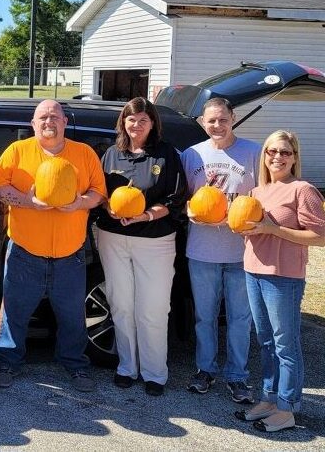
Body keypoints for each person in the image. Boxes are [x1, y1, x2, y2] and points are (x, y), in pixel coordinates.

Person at [0, 99, 106, 391]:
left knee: (72, 316)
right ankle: (7, 362)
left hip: (70, 252)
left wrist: (80, 202)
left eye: (54, 116)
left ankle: (75, 365)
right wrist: (27, 201)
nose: (48, 121)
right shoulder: (17, 151)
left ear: (65, 122)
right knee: (14, 311)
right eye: (42, 117)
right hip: (24, 250)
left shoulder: (84, 153)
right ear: (33, 124)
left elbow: (98, 192)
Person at [96, 97, 187, 396]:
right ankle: (126, 367)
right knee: (121, 305)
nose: (136, 125)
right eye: (131, 119)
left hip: (155, 240)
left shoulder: (165, 154)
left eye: (143, 120)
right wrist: (109, 208)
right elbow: (100, 193)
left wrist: (145, 215)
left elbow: (175, 198)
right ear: (123, 122)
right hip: (113, 237)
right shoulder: (112, 154)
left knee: (153, 308)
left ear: (152, 124)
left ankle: (154, 373)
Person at [234, 130, 325, 432]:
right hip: (253, 271)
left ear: (295, 157)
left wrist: (273, 229)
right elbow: (250, 227)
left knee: (286, 344)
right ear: (264, 156)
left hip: (284, 277)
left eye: (285, 152)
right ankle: (269, 399)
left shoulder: (302, 190)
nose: (277, 157)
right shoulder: (257, 192)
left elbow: (320, 236)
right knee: (266, 342)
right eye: (272, 151)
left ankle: (287, 409)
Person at [181, 98, 260, 403]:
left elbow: (263, 197)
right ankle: (205, 370)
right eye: (211, 120)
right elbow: (182, 197)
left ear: (233, 118)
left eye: (223, 119)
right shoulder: (191, 155)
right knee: (205, 317)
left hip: (242, 252)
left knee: (240, 319)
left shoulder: (253, 152)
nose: (217, 125)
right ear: (202, 122)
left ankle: (237, 376)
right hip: (202, 250)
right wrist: (189, 210)